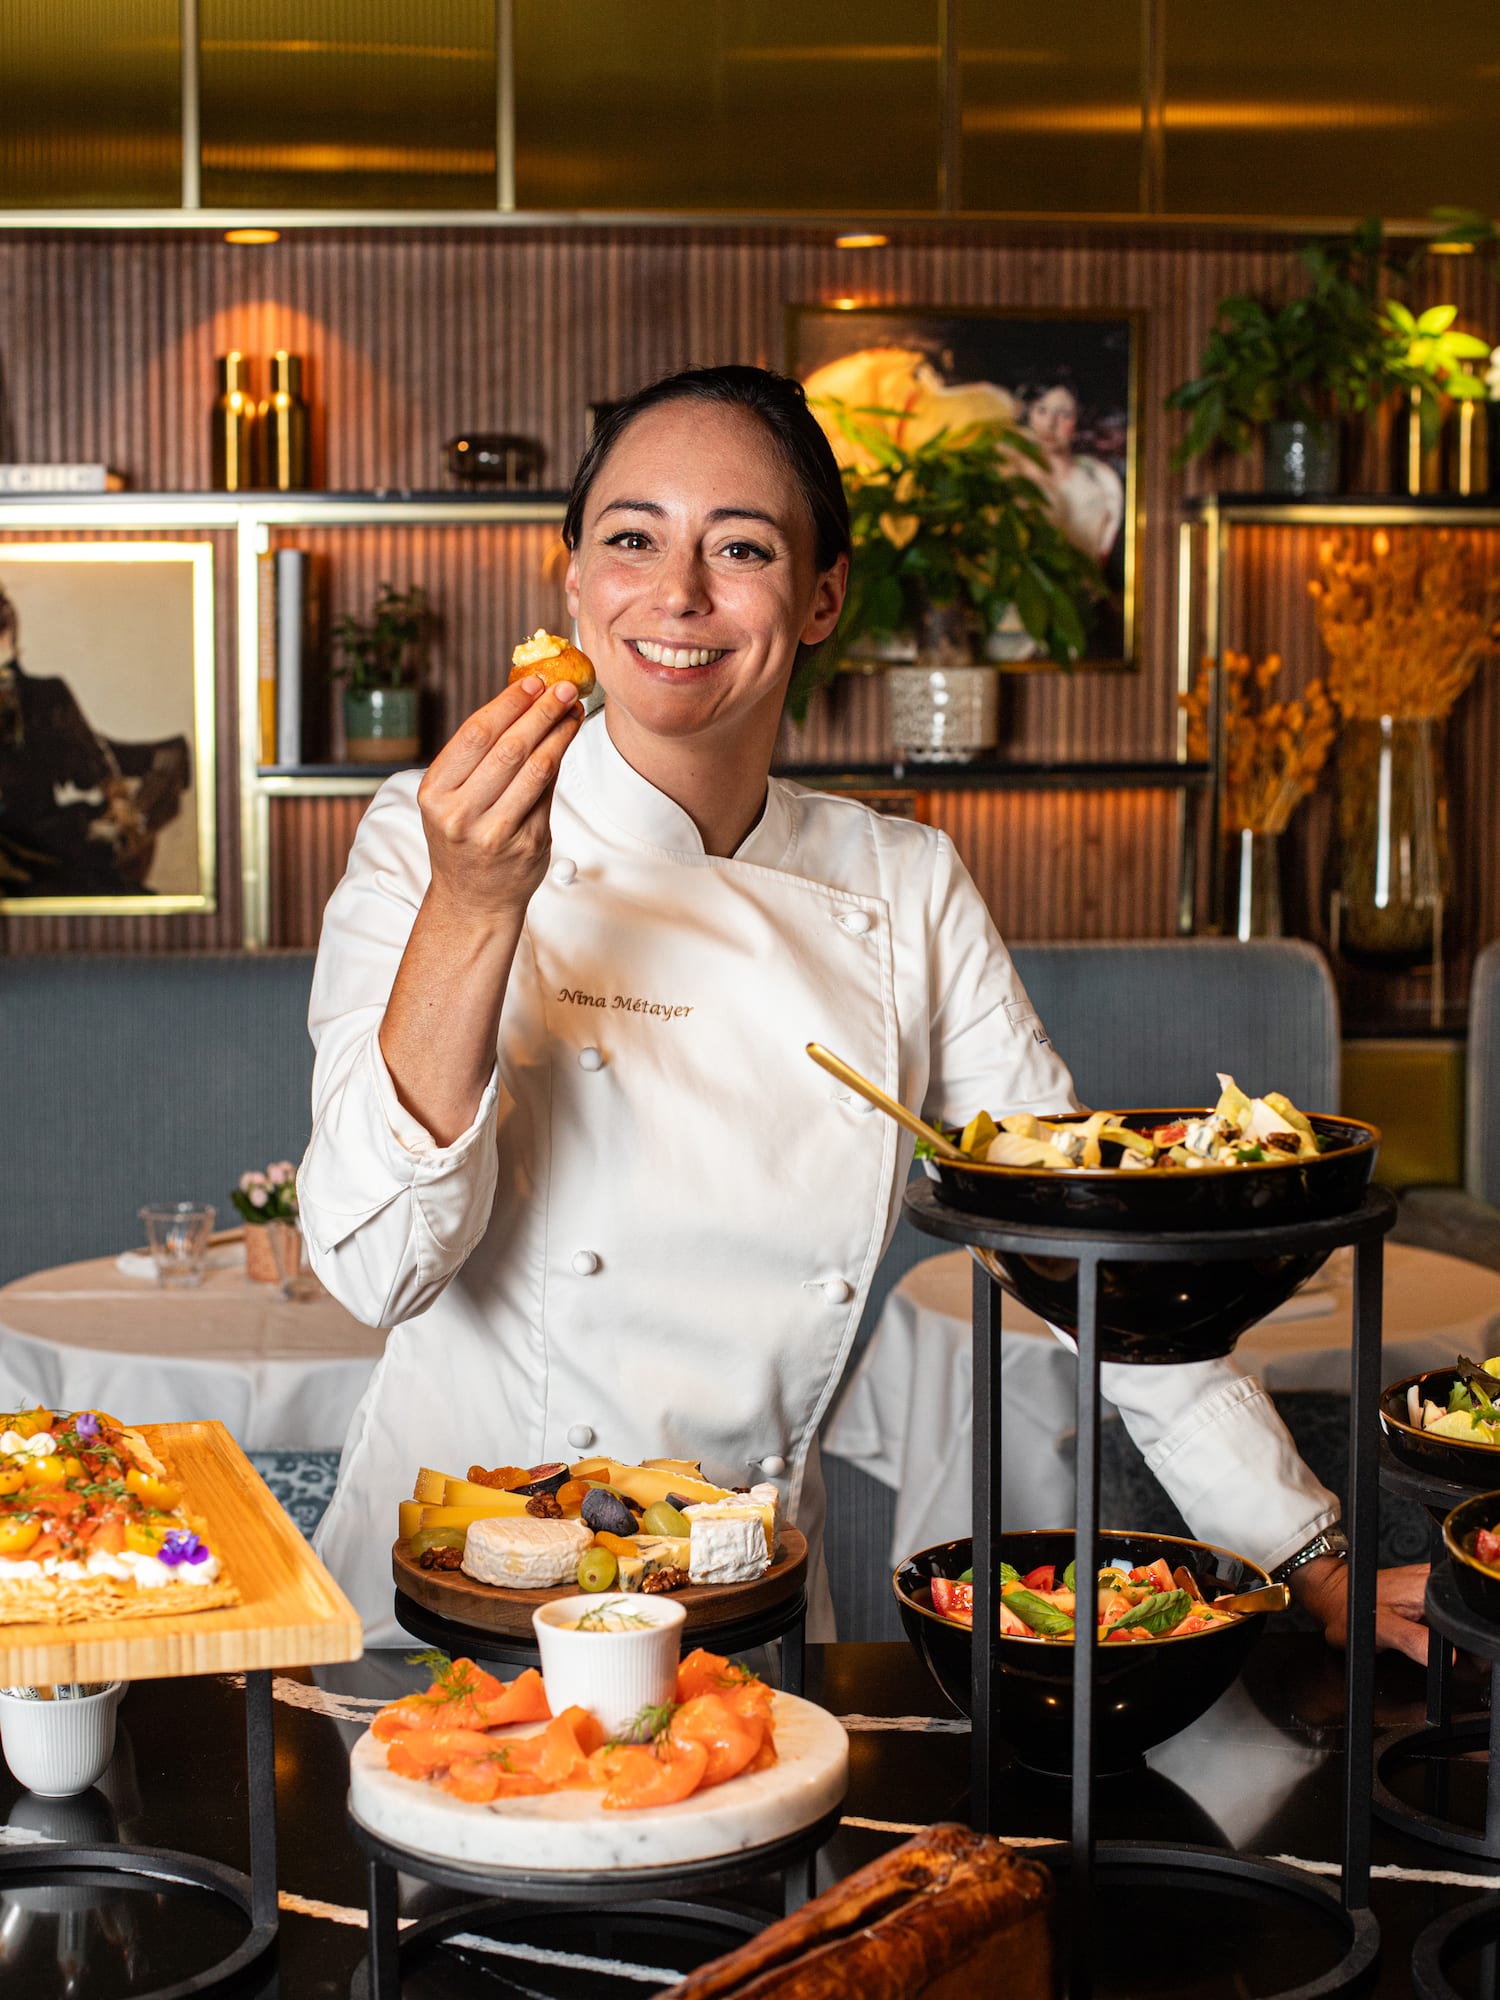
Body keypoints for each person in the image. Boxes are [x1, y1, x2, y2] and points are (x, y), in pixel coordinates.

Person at [299, 363, 1426, 1662]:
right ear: (573, 585)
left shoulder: (902, 882)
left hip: (741, 1625)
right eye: (632, 539)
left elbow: (1086, 1245)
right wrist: (476, 901)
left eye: (742, 548)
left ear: (824, 596)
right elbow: (376, 1268)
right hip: (454, 1614)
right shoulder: (430, 834)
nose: (678, 594)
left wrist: (1312, 1557)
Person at [1015, 372, 1125, 566]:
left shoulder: (1100, 482)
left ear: (1078, 420)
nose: (1050, 424)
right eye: (1041, 410)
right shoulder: (1014, 474)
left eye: (1064, 414)